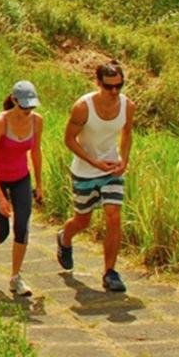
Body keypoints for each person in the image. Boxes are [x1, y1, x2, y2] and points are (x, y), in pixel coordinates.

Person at [55, 61, 135, 293]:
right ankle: (64, 238)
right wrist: (94, 162)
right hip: (85, 170)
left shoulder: (128, 106)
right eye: (109, 87)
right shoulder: (83, 107)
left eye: (118, 86)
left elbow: (127, 134)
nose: (114, 92)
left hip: (111, 169)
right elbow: (69, 140)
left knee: (113, 214)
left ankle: (110, 272)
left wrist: (124, 160)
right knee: (83, 221)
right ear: (98, 83)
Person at [0, 80, 44, 297]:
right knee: (3, 230)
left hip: (21, 178)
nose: (27, 111)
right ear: (14, 100)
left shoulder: (37, 122)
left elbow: (36, 153)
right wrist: (0, 197)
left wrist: (39, 184)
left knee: (22, 227)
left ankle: (15, 277)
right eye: (23, 106)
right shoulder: (1, 122)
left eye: (31, 107)